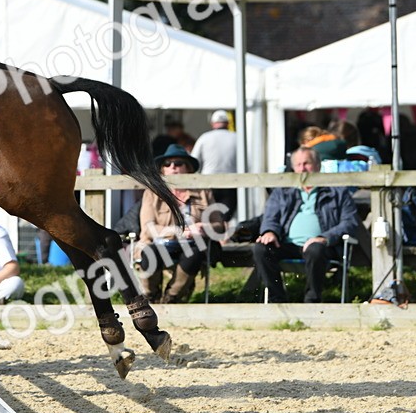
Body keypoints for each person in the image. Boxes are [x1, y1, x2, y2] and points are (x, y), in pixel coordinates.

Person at [252, 146, 360, 303]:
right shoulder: (283, 192)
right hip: (287, 244)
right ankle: (277, 300)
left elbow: (349, 222)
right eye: (298, 165)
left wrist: (324, 238)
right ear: (293, 168)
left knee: (315, 249)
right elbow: (270, 217)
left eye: (307, 163)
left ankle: (312, 301)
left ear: (318, 165)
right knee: (260, 249)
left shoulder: (337, 192)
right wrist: (270, 232)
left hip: (322, 247)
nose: (303, 168)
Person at [135, 145, 226, 304]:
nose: (172, 168)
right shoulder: (152, 192)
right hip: (160, 242)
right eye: (167, 164)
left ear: (188, 168)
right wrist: (180, 232)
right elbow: (149, 228)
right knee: (149, 252)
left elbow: (219, 225)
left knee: (195, 253)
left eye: (178, 163)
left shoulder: (203, 192)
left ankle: (171, 298)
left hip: (193, 244)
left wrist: (204, 228)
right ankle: (151, 297)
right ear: (162, 170)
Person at [191, 109, 238, 219]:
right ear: (228, 123)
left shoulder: (204, 138)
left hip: (208, 183)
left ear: (212, 123)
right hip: (231, 183)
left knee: (209, 218)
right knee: (225, 218)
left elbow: (194, 161)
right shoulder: (237, 137)